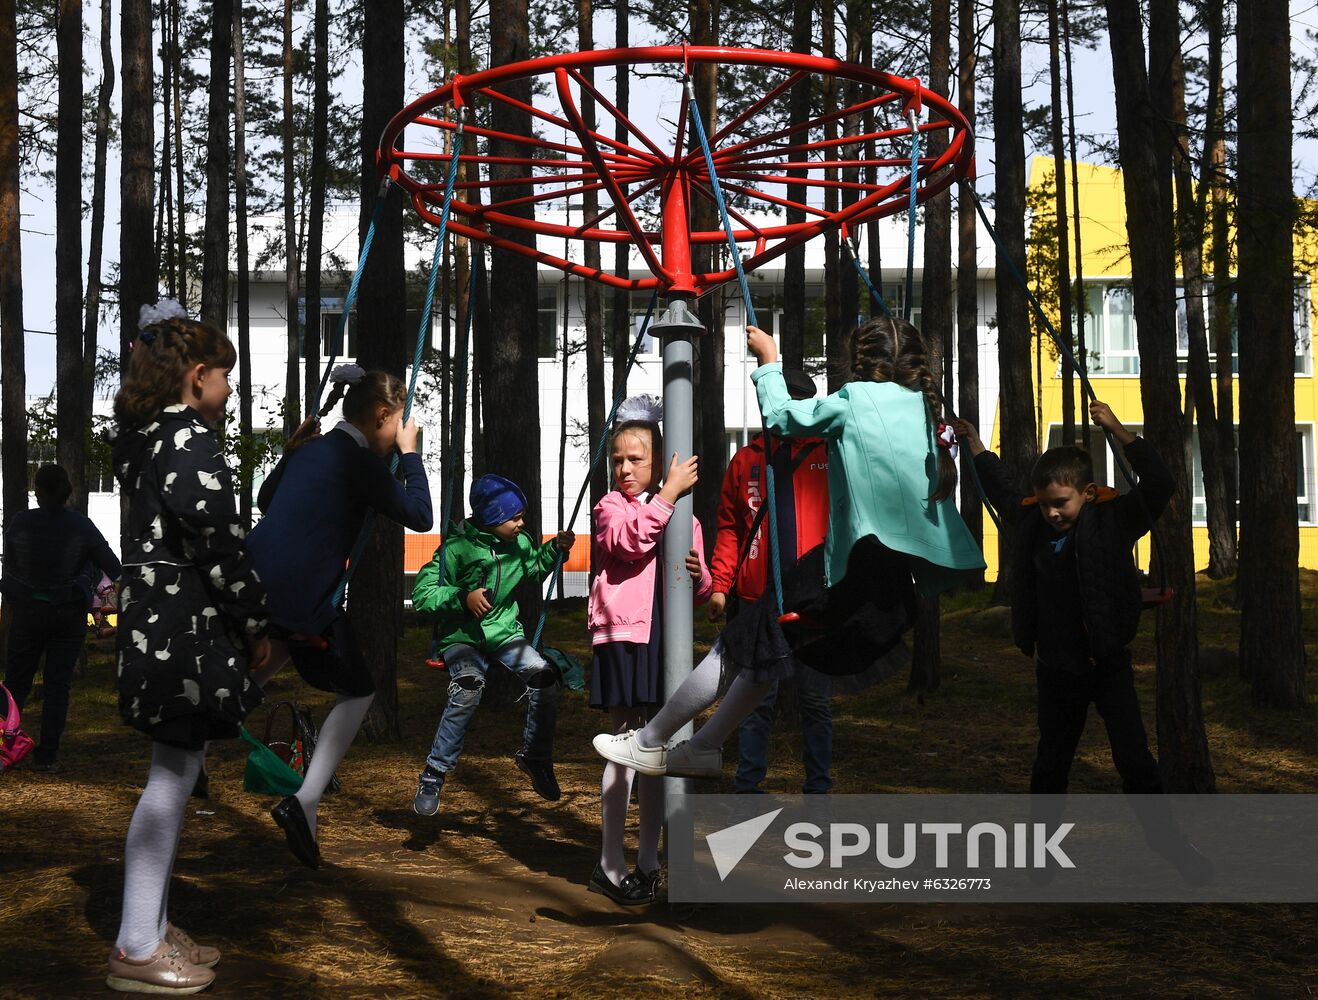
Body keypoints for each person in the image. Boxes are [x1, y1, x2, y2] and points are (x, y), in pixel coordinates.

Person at [594, 316, 984, 780]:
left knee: (736, 647)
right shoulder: (923, 408)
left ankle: (649, 740)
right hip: (896, 593)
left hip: (849, 576)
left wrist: (769, 360)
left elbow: (781, 417)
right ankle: (704, 745)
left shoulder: (854, 400)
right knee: (765, 653)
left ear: (858, 361)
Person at [106, 300, 272, 995]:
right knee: (172, 780)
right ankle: (137, 945)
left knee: (173, 774)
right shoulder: (189, 438)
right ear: (197, 376)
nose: (232, 391)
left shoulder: (145, 436)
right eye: (226, 378)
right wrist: (257, 620)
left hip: (157, 628)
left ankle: (152, 925)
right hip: (184, 636)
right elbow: (219, 542)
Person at [248, 364, 433, 869]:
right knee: (360, 688)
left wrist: (291, 454)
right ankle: (304, 802)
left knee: (270, 659)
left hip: (256, 582)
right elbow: (420, 516)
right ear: (381, 417)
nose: (399, 431)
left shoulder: (311, 447)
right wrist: (410, 454)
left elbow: (267, 499)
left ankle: (201, 736)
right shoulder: (358, 461)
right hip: (302, 593)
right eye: (397, 423)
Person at [951, 402, 1173, 797]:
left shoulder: (1115, 520)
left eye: (1060, 503)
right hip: (1056, 668)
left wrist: (1117, 429)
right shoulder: (1032, 523)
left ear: (1088, 493)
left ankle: (1166, 844)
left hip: (1108, 664)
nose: (1051, 513)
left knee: (1135, 761)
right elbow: (1002, 490)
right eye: (1044, 503)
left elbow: (1159, 481)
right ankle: (1042, 851)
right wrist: (976, 446)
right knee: (1051, 764)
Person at [587, 395, 711, 905]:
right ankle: (609, 862)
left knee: (657, 750)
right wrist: (667, 496)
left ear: (658, 462)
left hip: (662, 637)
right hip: (622, 634)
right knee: (623, 740)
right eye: (617, 460)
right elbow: (628, 543)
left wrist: (703, 580)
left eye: (636, 460)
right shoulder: (610, 507)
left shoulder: (682, 515)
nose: (624, 469)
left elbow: (697, 588)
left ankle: (648, 861)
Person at [411, 474, 573, 817]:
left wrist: (552, 550)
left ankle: (536, 758)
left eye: (521, 517)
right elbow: (422, 595)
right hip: (463, 638)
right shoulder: (456, 550)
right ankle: (434, 773)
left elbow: (533, 568)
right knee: (469, 685)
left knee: (544, 676)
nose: (521, 523)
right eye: (514, 518)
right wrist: (461, 598)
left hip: (503, 633)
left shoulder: (520, 544)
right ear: (491, 518)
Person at [708, 371, 834, 796]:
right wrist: (721, 585)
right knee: (756, 702)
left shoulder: (830, 455)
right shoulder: (747, 460)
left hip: (816, 598)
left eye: (799, 403)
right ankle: (748, 789)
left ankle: (819, 792)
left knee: (816, 701)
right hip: (757, 598)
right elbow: (729, 527)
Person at [1, 463, 121, 772]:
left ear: (38, 491)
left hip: (27, 611)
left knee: (15, 683)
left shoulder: (20, 523)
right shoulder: (81, 526)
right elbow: (113, 565)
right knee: (58, 686)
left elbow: (11, 564)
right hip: (67, 615)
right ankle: (48, 755)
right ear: (66, 491)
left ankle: (4, 748)